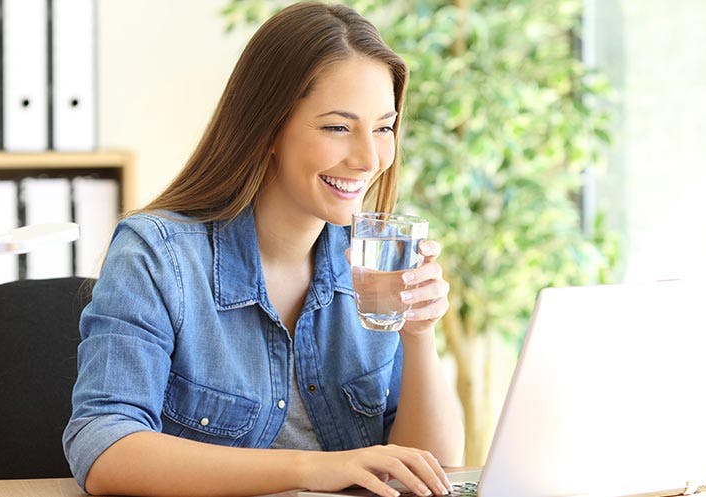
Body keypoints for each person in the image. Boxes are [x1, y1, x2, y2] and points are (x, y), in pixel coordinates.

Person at [62, 3, 465, 497]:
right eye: (338, 127)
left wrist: (419, 336)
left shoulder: (372, 262)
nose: (369, 158)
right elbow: (105, 449)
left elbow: (434, 472)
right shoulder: (158, 255)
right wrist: (312, 469)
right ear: (268, 128)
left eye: (383, 128)